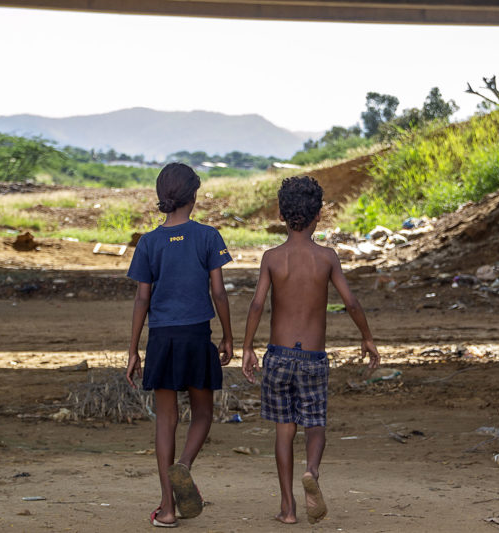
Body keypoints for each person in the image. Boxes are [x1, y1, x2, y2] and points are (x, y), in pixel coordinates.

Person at [241, 175, 380, 524]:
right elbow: (351, 301)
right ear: (318, 215)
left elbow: (257, 305)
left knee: (284, 429)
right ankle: (312, 473)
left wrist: (246, 347)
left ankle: (288, 509)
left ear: (283, 216)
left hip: (278, 355)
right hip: (313, 358)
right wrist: (367, 337)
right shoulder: (327, 258)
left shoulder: (272, 258)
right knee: (315, 425)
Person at [126, 162, 234, 528]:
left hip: (161, 339)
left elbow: (142, 299)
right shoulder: (208, 237)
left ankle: (167, 508)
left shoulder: (148, 242)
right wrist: (229, 335)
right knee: (203, 413)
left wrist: (133, 350)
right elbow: (218, 291)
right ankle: (184, 466)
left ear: (162, 197)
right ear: (194, 196)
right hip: (196, 336)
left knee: (165, 422)